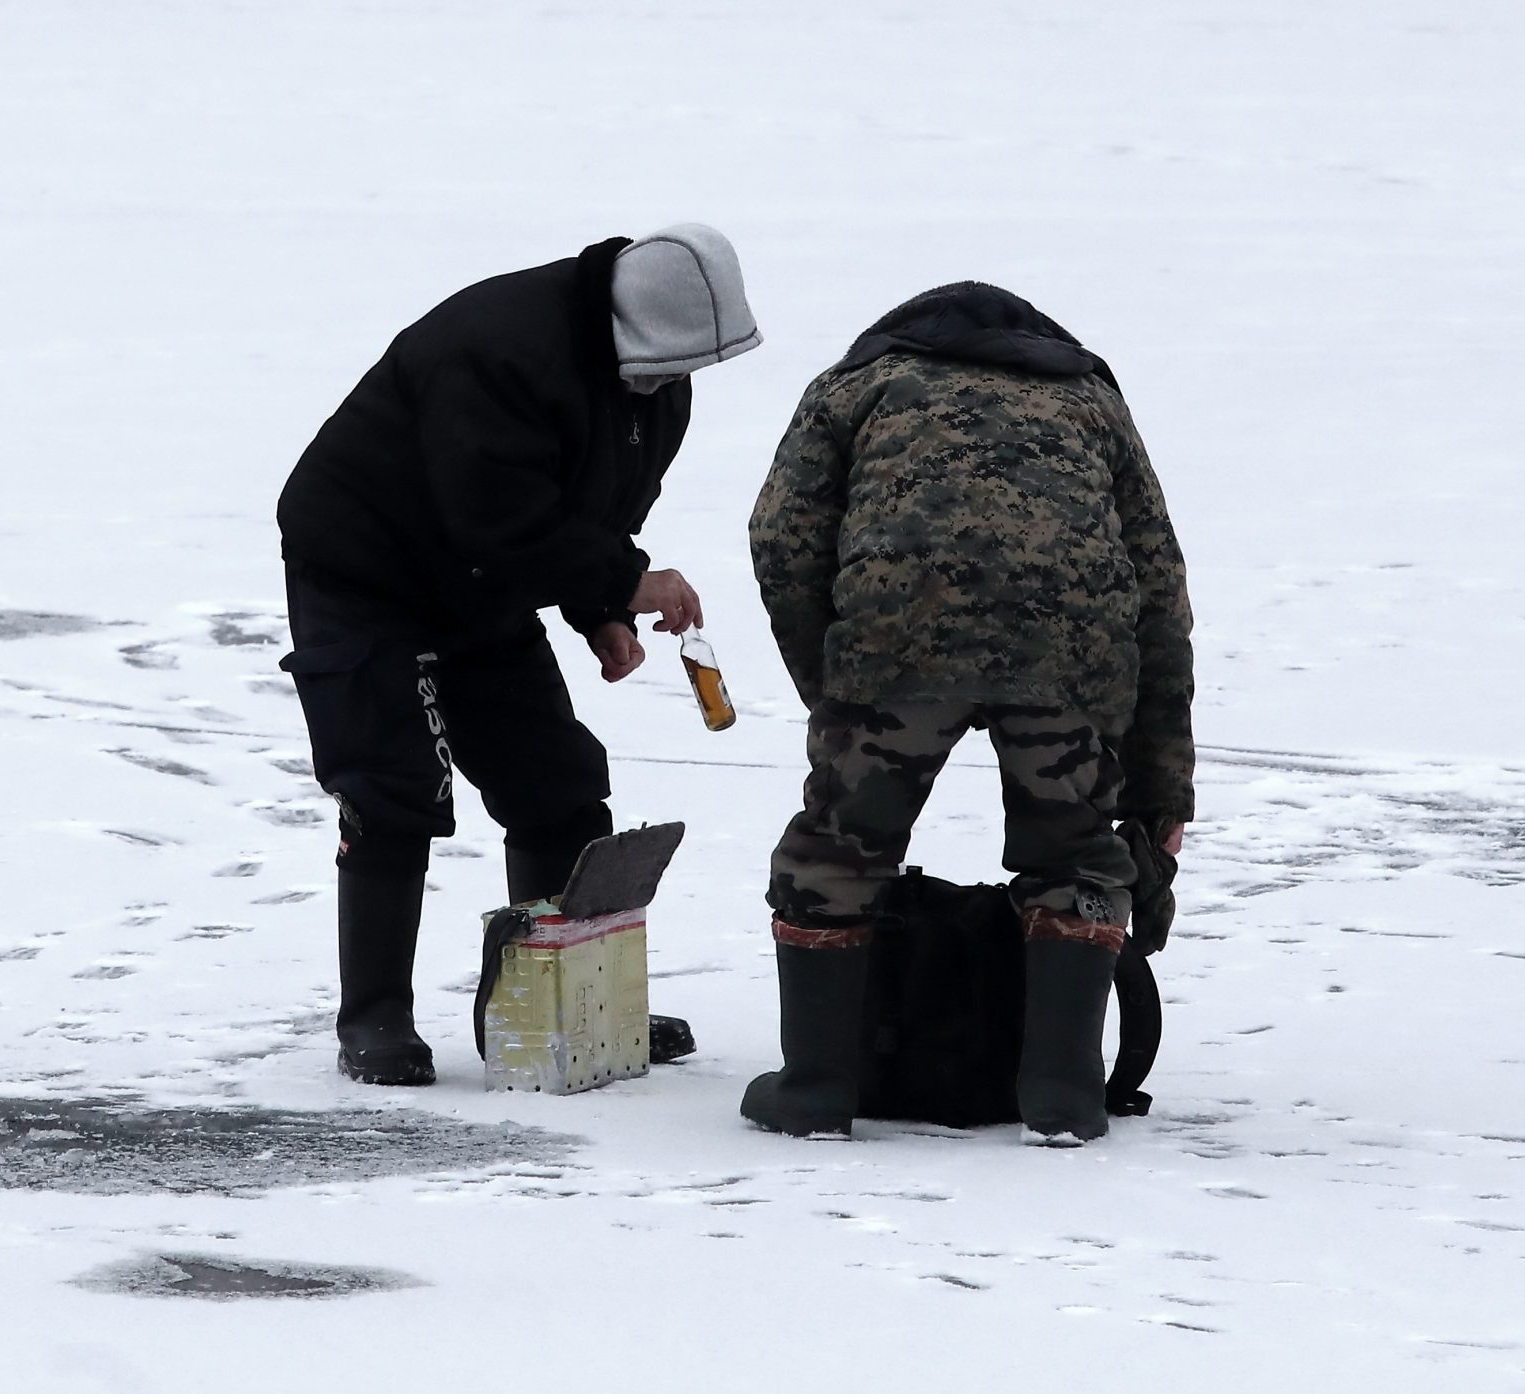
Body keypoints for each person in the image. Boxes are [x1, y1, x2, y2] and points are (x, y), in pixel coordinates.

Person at [276, 226, 762, 1085]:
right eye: (658, 366)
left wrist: (600, 606)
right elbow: (496, 517)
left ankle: (555, 997)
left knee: (560, 788)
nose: (670, 384)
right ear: (621, 322)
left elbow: (584, 508)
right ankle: (376, 1018)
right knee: (391, 788)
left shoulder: (658, 386)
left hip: (478, 579)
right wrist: (629, 582)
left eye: (686, 369)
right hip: (367, 568)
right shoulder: (497, 351)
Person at [739, 282, 1194, 1143]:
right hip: (1071, 645)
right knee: (1076, 857)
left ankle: (816, 1090)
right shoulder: (1092, 401)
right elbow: (1159, 587)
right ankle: (1063, 1095)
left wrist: (834, 682)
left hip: (895, 637)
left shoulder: (852, 387)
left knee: (839, 848)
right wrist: (1162, 788)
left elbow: (783, 536)